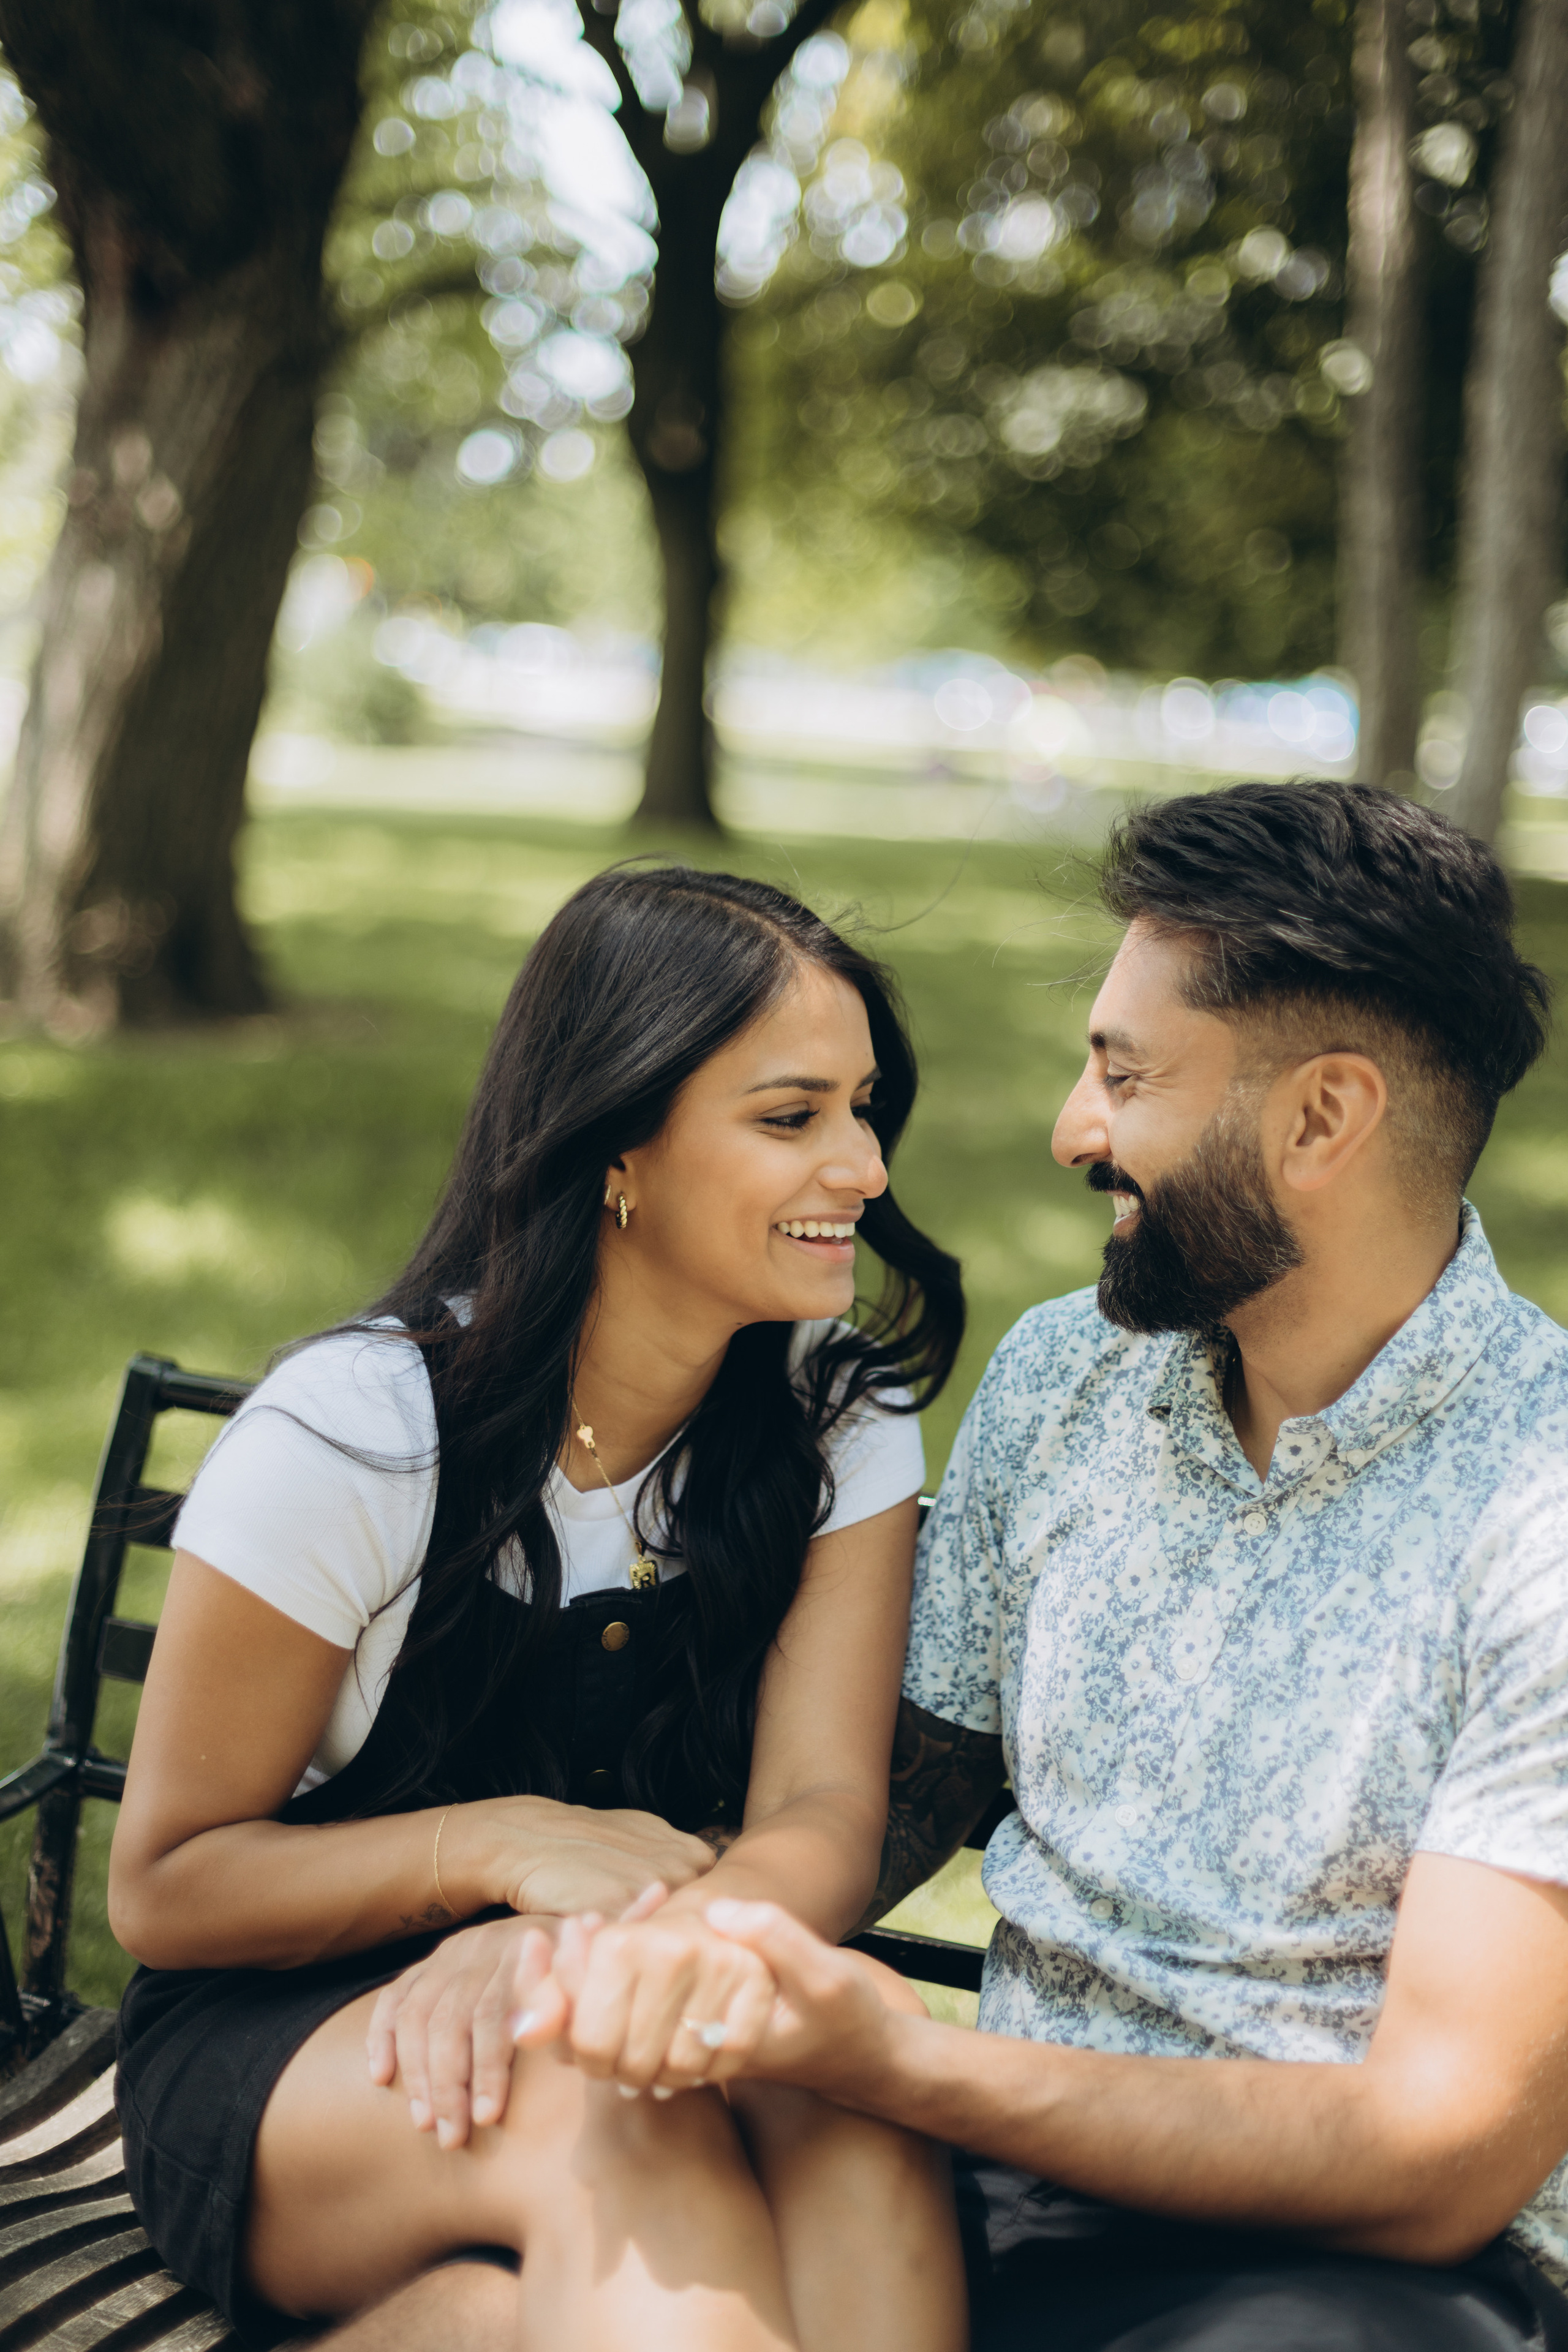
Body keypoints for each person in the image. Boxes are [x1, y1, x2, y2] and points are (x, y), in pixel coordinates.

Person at [534, 783, 1568, 2352]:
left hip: (1350, 2279)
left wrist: (905, 2064)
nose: (1072, 1130)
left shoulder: (1537, 1507)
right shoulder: (1066, 1380)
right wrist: (596, 1950)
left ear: (1320, 1119)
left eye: (1124, 1076)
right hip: (989, 2197)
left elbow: (1431, 2160)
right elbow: (885, 1802)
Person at [108, 865, 968, 2352]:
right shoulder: (362, 1435)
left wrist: (603, 1955)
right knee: (613, 2116)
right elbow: (168, 1890)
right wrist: (497, 1853)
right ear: (614, 1147)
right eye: (791, 1118)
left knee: (852, 2092)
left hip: (655, 1954)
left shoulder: (832, 1413)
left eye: (862, 1108)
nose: (864, 1168)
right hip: (285, 2037)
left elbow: (822, 1810)